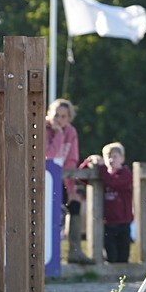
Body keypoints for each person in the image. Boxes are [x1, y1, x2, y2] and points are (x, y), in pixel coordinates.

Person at [46, 97, 90, 264]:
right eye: (56, 115)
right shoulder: (43, 127)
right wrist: (58, 134)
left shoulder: (71, 132)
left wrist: (70, 189)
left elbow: (72, 159)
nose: (59, 119)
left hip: (63, 178)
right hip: (46, 179)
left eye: (63, 116)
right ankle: (49, 253)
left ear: (69, 118)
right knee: (51, 213)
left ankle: (75, 251)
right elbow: (50, 155)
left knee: (74, 205)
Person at [81, 142, 134, 263]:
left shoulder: (125, 173)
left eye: (115, 156)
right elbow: (82, 178)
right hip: (107, 223)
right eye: (107, 157)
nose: (111, 160)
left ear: (122, 158)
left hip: (123, 222)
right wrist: (88, 161)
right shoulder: (103, 174)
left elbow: (113, 182)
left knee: (123, 255)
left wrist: (101, 167)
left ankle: (123, 274)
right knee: (111, 254)